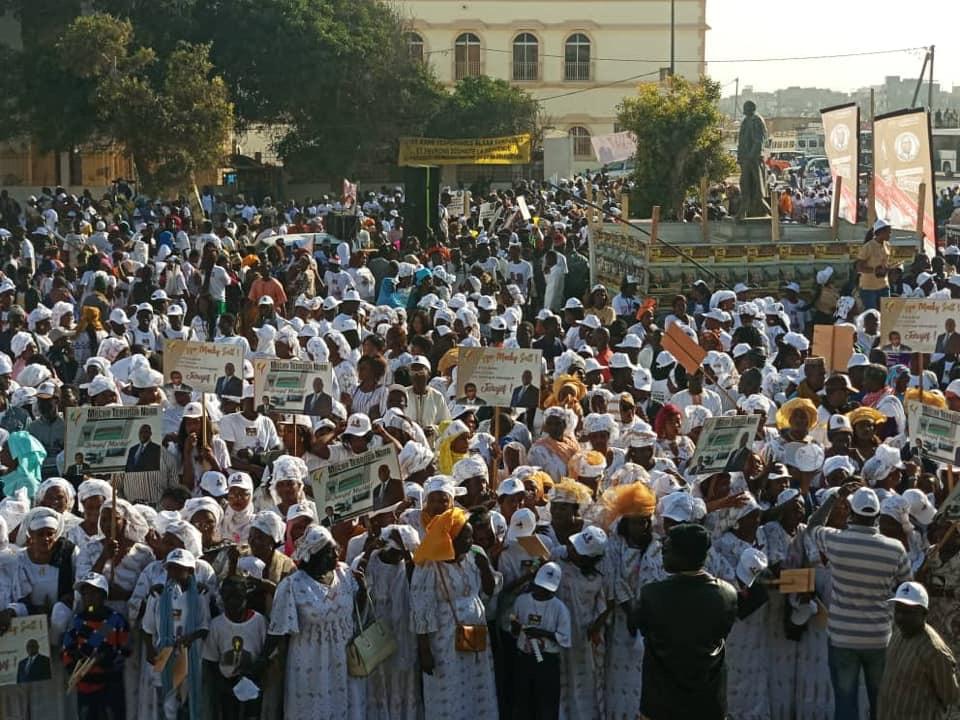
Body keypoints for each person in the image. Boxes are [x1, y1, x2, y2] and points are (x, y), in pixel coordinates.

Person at [809, 487, 912, 720]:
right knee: (880, 701)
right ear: (877, 516)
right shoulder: (895, 549)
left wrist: (835, 497)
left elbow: (812, 527)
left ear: (851, 515)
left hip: (842, 638)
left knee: (845, 702)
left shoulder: (836, 540)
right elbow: (907, 589)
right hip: (879, 637)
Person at [630, 523, 739, 720]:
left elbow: (642, 625)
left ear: (684, 554)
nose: (662, 551)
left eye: (668, 549)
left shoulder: (651, 595)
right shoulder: (728, 593)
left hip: (661, 704)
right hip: (709, 703)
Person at [267, 526, 364, 718]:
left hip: (345, 661)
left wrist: (362, 587)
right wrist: (263, 662)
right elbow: (278, 632)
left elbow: (356, 613)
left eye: (336, 548)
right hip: (311, 665)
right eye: (330, 551)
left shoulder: (345, 574)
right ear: (314, 555)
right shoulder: (293, 585)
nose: (337, 553)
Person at [877, 582, 960, 720]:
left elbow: (950, 695)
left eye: (908, 612)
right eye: (898, 610)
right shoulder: (897, 633)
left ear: (924, 613)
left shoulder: (935, 651)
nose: (901, 617)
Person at [61, 572, 130, 719]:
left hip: (110, 685)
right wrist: (76, 661)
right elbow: (66, 650)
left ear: (103, 596)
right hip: (85, 687)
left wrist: (105, 658)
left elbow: (125, 651)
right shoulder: (76, 621)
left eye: (94, 593)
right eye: (85, 594)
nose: (89, 598)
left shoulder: (116, 620)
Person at [510, 561, 572, 720]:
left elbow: (565, 638)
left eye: (547, 588)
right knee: (523, 703)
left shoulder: (559, 608)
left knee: (546, 706)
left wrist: (541, 633)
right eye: (540, 586)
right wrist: (516, 628)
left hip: (547, 662)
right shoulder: (522, 601)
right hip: (524, 659)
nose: (543, 591)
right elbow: (513, 631)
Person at [857, 220, 892, 311]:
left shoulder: (887, 245)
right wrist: (875, 271)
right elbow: (859, 267)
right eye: (888, 232)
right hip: (869, 288)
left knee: (886, 312)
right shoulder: (868, 247)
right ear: (880, 232)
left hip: (884, 285)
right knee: (871, 313)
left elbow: (885, 263)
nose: (890, 234)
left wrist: (888, 268)